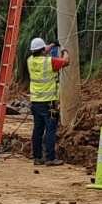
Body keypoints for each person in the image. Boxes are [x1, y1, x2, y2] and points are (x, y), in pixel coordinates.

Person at [27, 37, 71, 166]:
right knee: (51, 129)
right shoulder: (50, 62)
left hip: (35, 102)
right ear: (42, 50)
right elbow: (66, 61)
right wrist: (65, 51)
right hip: (49, 103)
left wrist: (52, 45)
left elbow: (42, 50)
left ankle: (37, 157)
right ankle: (50, 158)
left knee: (38, 130)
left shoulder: (30, 60)